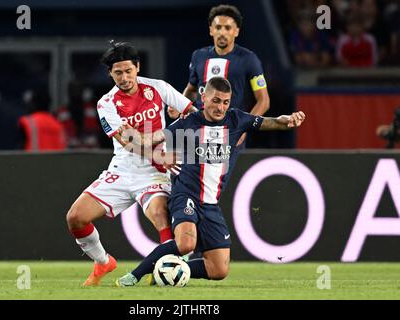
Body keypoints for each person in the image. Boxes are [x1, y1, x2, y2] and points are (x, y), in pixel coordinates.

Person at [115, 76, 306, 286]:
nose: (221, 107)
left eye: (225, 102)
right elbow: (152, 139)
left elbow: (272, 122)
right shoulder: (187, 123)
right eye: (216, 101)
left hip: (210, 204)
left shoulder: (236, 120)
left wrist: (289, 120)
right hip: (185, 195)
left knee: (219, 269)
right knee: (186, 244)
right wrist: (132, 137)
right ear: (203, 98)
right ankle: (134, 275)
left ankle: (169, 271)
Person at [65, 41, 197, 286]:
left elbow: (194, 114)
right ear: (110, 74)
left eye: (128, 71)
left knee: (160, 214)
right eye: (118, 73)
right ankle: (103, 262)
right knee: (75, 217)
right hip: (123, 170)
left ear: (137, 67)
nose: (124, 77)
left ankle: (166, 270)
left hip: (155, 173)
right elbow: (128, 141)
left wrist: (172, 132)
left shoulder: (158, 88)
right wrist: (159, 148)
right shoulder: (106, 103)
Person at [168, 4, 270, 147]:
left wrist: (245, 127)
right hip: (198, 130)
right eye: (218, 27)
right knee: (193, 169)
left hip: (231, 133)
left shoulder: (249, 59)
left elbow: (263, 100)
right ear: (211, 30)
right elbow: (191, 90)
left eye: (227, 28)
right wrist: (179, 105)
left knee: (229, 170)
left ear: (236, 31)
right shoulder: (198, 56)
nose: (222, 32)